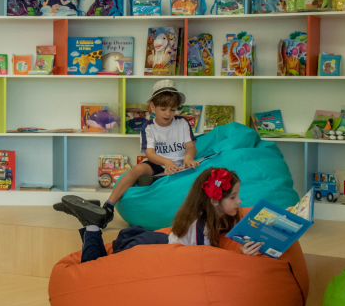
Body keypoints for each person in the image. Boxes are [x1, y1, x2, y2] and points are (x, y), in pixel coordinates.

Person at [60, 80, 198, 225]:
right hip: (158, 163)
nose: (168, 113)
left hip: (181, 165)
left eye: (172, 109)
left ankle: (150, 181)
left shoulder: (182, 123)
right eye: (163, 109)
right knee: (138, 169)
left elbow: (190, 146)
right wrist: (166, 162)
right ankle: (108, 208)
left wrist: (188, 157)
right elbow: (150, 154)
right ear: (153, 106)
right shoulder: (149, 127)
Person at [59, 168, 262, 263]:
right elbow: (205, 262)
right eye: (234, 197)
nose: (240, 202)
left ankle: (90, 221)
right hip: (149, 250)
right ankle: (93, 225)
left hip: (158, 241)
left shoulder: (213, 216)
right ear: (215, 201)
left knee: (103, 262)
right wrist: (240, 256)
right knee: (94, 268)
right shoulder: (202, 226)